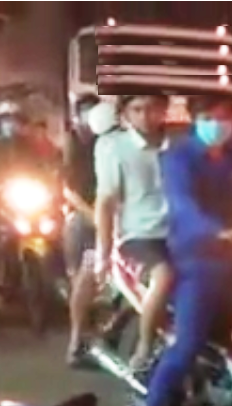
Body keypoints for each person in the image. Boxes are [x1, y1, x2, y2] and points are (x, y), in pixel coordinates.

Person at [129, 93, 232, 406]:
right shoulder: (178, 158)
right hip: (197, 257)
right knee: (189, 343)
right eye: (210, 117)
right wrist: (218, 232)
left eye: (224, 117)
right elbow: (183, 205)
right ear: (196, 120)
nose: (218, 124)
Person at [92, 94, 174, 370]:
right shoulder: (113, 147)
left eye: (152, 108)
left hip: (180, 232)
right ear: (125, 114)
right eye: (137, 109)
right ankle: (145, 345)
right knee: (164, 275)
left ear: (164, 109)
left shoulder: (179, 143)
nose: (145, 116)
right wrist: (103, 253)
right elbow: (106, 202)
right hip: (139, 237)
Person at [62, 95, 104, 366]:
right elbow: (69, 190)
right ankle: (75, 342)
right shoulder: (74, 144)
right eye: (85, 112)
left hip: (112, 216)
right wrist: (93, 216)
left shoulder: (109, 142)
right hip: (84, 218)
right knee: (83, 276)